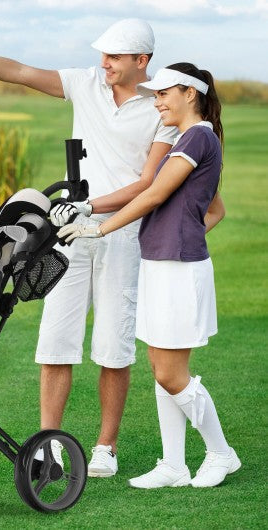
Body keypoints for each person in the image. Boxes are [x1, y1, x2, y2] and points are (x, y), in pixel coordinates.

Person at [0, 18, 177, 477]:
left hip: (121, 233)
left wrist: (90, 207)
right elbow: (19, 72)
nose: (104, 63)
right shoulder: (86, 83)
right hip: (68, 233)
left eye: (115, 56)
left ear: (142, 60)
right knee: (55, 341)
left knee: (113, 346)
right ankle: (48, 444)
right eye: (103, 54)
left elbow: (148, 182)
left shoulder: (160, 106)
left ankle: (106, 448)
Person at [58, 63, 241, 488]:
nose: (156, 102)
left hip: (179, 270)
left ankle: (221, 453)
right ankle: (173, 465)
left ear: (190, 94)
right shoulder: (187, 139)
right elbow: (215, 210)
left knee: (170, 374)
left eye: (163, 94)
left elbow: (155, 193)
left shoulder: (198, 137)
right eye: (154, 95)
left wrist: (97, 225)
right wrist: (182, 232)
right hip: (160, 264)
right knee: (161, 367)